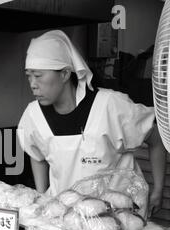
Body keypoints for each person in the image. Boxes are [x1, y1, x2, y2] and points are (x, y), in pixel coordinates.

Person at [18, 30, 166, 215]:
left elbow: (156, 138)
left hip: (119, 218)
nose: (32, 84)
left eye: (38, 76)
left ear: (65, 74)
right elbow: (37, 154)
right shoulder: (33, 115)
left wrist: (158, 190)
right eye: (29, 76)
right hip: (66, 218)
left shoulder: (109, 106)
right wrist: (42, 196)